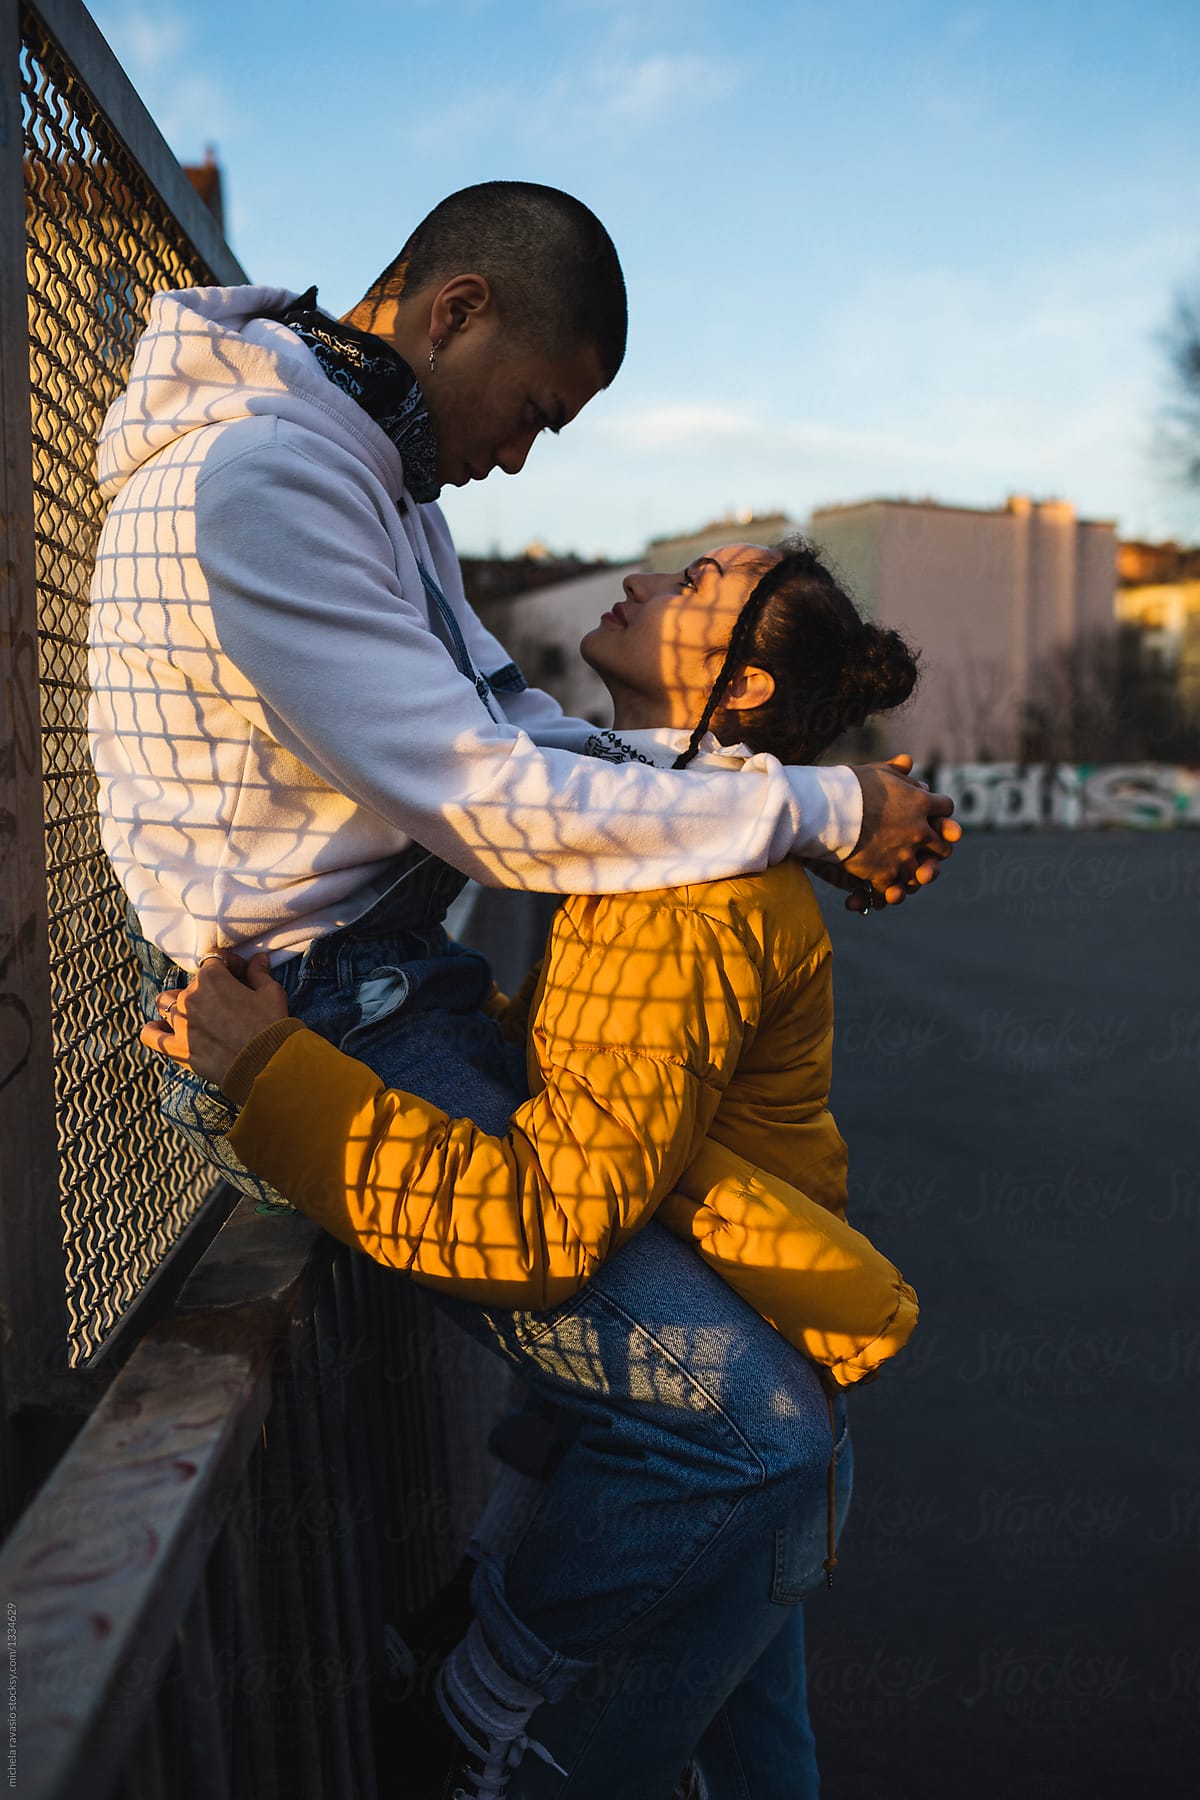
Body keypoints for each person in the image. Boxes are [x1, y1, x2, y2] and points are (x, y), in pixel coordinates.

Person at [90, 179, 959, 1797]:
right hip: (304, 1011)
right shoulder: (272, 474)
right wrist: (821, 804)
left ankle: (502, 1652)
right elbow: (480, 789)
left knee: (729, 1494)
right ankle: (483, 1714)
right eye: (540, 413)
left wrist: (769, 797)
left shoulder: (368, 467)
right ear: (457, 309)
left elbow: (514, 735)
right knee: (758, 1444)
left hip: (376, 989)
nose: (522, 457)